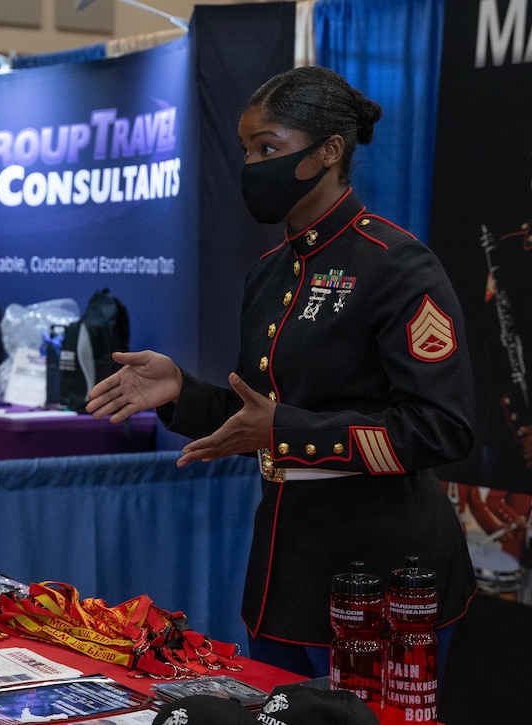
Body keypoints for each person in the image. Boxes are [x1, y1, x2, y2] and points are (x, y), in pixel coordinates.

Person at [87, 66, 476, 678]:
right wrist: (180, 392)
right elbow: (258, 420)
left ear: (329, 152)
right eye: (245, 149)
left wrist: (285, 431)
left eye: (268, 148)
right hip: (282, 578)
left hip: (379, 583)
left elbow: (442, 429)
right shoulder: (269, 272)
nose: (251, 165)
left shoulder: (396, 265)